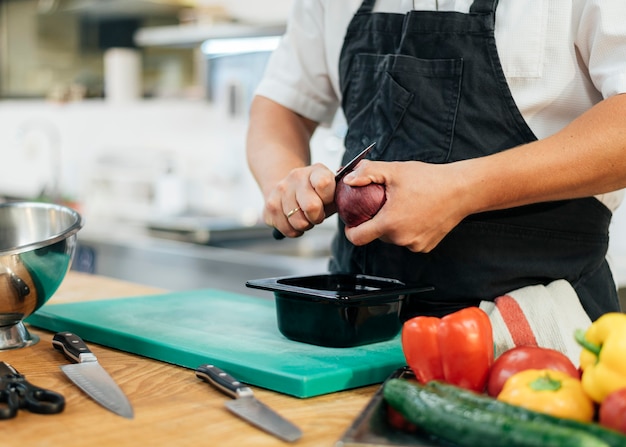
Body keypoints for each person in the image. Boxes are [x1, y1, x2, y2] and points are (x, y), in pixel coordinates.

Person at [245, 0, 626, 321]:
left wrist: (462, 189)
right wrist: (286, 183)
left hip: (535, 331)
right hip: (359, 326)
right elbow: (281, 106)